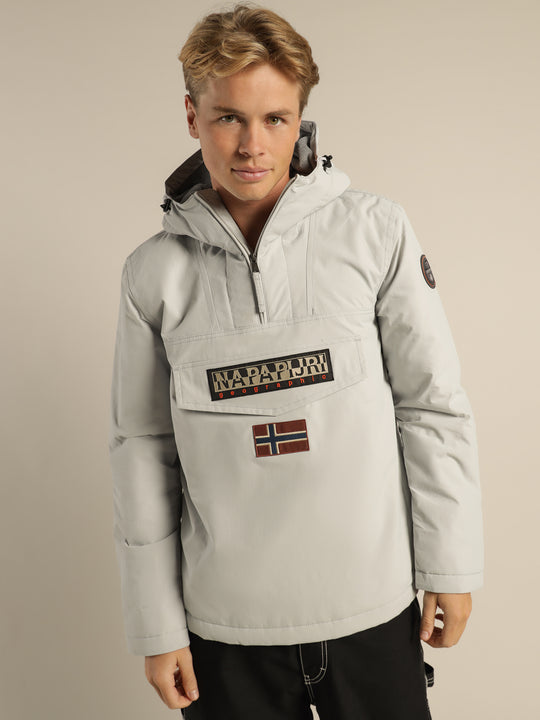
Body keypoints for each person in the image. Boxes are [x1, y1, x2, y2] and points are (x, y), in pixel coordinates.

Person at [109, 4, 484, 719]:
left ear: (301, 120)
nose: (252, 145)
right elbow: (142, 450)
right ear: (191, 116)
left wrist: (451, 563)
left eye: (275, 119)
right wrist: (155, 627)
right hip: (223, 634)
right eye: (229, 118)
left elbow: (430, 401)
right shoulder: (151, 274)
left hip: (373, 611)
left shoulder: (375, 232)